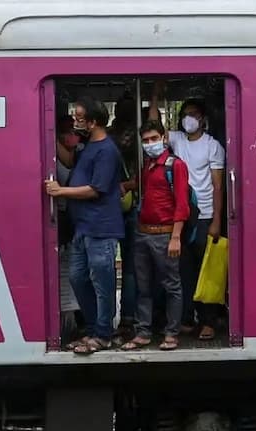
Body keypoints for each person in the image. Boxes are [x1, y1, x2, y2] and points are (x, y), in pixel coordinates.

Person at [46, 97, 124, 354]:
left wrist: (61, 191)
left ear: (93, 122)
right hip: (83, 227)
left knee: (102, 283)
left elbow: (95, 190)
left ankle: (103, 334)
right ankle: (92, 329)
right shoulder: (88, 145)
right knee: (78, 278)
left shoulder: (106, 150)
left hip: (100, 228)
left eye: (79, 118)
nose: (76, 121)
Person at [149, 82, 225, 340]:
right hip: (181, 217)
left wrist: (216, 220)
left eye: (192, 114)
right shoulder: (178, 139)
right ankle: (186, 319)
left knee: (207, 271)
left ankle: (208, 321)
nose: (187, 119)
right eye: (184, 114)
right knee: (183, 271)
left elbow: (217, 186)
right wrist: (156, 99)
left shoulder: (213, 146)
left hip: (203, 217)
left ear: (202, 118)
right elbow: (154, 128)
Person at [121, 119, 189, 351]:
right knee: (144, 286)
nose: (149, 144)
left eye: (153, 139)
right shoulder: (148, 166)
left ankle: (171, 333)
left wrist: (176, 237)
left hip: (165, 234)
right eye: (145, 140)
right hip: (143, 233)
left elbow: (182, 204)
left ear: (164, 138)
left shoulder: (175, 166)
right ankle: (143, 332)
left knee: (171, 285)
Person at [108, 95, 140, 339]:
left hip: (107, 207)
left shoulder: (106, 136)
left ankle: (105, 319)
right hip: (132, 204)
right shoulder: (136, 135)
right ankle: (127, 317)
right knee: (130, 265)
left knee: (105, 266)